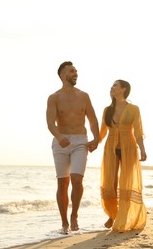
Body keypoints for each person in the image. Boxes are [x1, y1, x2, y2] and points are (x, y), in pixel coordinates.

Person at [46, 61, 99, 234]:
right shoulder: (54, 97)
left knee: (77, 179)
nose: (75, 73)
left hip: (79, 141)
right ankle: (64, 223)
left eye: (76, 70)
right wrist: (59, 137)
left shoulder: (84, 96)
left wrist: (96, 138)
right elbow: (50, 123)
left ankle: (74, 215)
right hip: (61, 142)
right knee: (63, 183)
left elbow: (92, 119)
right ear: (63, 75)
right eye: (72, 71)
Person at [98, 79, 147, 232]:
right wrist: (92, 144)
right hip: (110, 148)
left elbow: (138, 131)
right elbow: (102, 132)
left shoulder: (133, 109)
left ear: (124, 89)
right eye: (112, 86)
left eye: (115, 86)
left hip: (128, 147)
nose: (112, 88)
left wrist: (143, 149)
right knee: (110, 183)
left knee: (125, 183)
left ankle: (123, 217)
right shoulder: (107, 110)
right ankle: (113, 214)